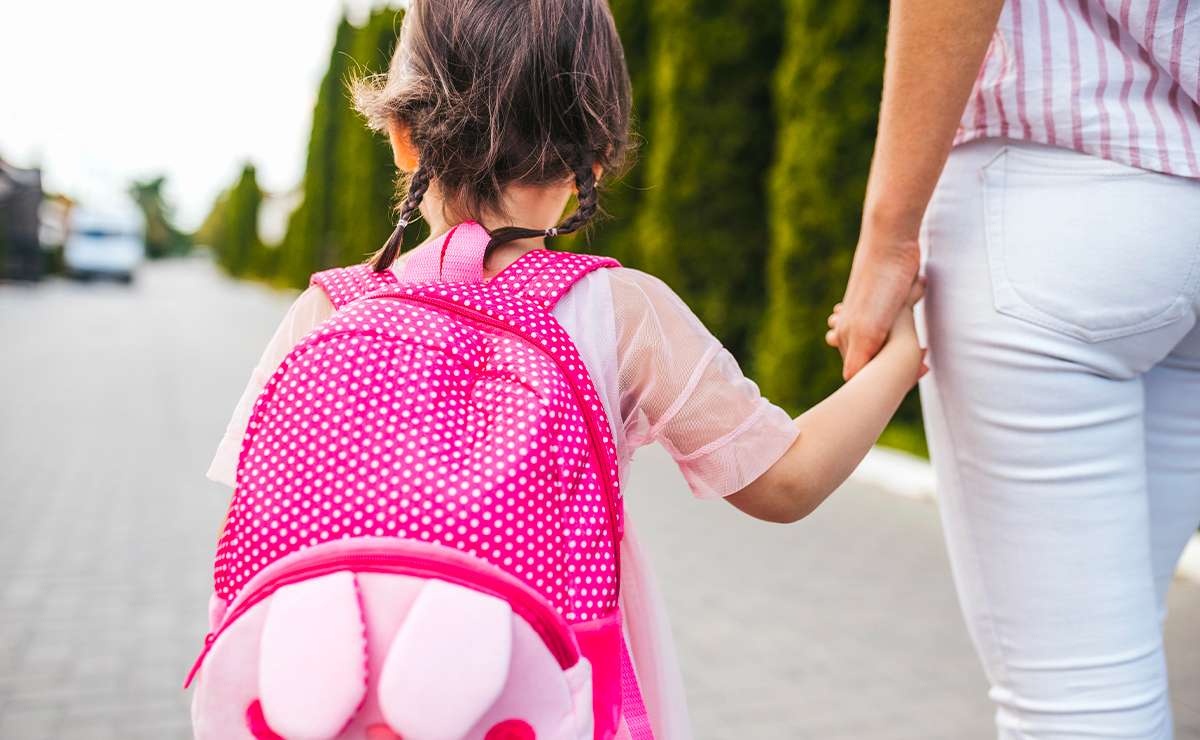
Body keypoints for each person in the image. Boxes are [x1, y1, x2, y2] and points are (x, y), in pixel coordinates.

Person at [206, 0, 923, 735]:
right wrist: (901, 359)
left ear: (401, 138)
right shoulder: (616, 310)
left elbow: (255, 527)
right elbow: (786, 481)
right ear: (598, 152)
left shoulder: (326, 311)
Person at [828, 0, 1200, 736]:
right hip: (1177, 202)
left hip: (1053, 205)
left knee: (1077, 701)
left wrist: (888, 237)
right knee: (1119, 657)